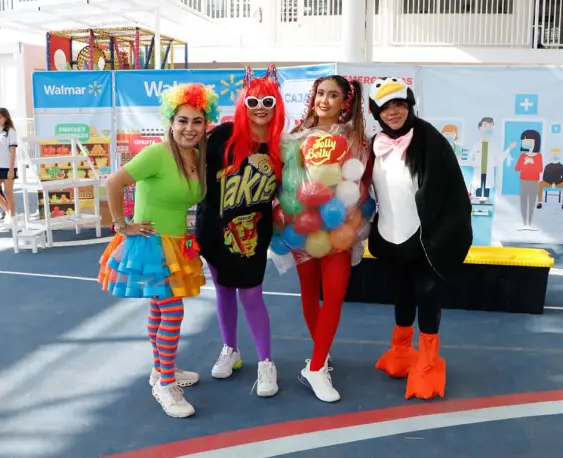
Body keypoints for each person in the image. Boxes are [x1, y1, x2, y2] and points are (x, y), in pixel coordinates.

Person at [98, 83, 217, 418]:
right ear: (170, 122)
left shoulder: (197, 156)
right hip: (151, 245)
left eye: (196, 121)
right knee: (173, 311)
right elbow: (114, 182)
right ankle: (165, 384)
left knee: (160, 308)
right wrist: (123, 225)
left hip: (177, 244)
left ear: (205, 124)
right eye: (182, 121)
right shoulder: (157, 153)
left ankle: (161, 369)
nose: (189, 128)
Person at [366, 77, 472, 400]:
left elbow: (452, 194)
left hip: (424, 241)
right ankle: (400, 352)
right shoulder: (374, 144)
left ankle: (428, 363)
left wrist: (442, 237)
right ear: (377, 113)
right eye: (385, 107)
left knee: (427, 297)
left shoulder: (431, 141)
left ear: (410, 105)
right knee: (400, 294)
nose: (393, 112)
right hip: (390, 237)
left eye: (399, 105)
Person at [195, 66, 284, 397]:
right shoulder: (223, 135)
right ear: (242, 104)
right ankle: (230, 349)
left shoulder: (281, 147)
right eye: (252, 101)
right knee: (222, 289)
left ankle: (266, 363)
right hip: (213, 228)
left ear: (277, 105)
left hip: (252, 235)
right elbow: (190, 166)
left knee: (251, 293)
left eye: (267, 101)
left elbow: (287, 193)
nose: (260, 107)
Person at [286, 75, 368, 403]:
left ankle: (316, 367)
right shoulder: (296, 137)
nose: (324, 100)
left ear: (345, 102)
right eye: (320, 93)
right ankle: (321, 354)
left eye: (333, 95)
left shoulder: (355, 139)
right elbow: (287, 182)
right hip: (303, 228)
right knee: (309, 294)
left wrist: (352, 212)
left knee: (333, 295)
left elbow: (361, 183)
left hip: (339, 229)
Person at [0, 108, 17, 229]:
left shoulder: (10, 131)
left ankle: (13, 218)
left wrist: (11, 169)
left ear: (6, 118)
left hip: (8, 166)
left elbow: (13, 151)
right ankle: (8, 212)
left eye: (0, 117)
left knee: (8, 193)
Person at [514, 130, 543, 231]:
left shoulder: (539, 156)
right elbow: (517, 168)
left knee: (531, 201)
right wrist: (525, 163)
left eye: (530, 141)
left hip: (534, 181)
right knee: (523, 201)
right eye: (525, 141)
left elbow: (540, 169)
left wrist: (532, 162)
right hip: (523, 180)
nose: (527, 143)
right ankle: (524, 223)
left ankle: (529, 223)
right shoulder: (523, 156)